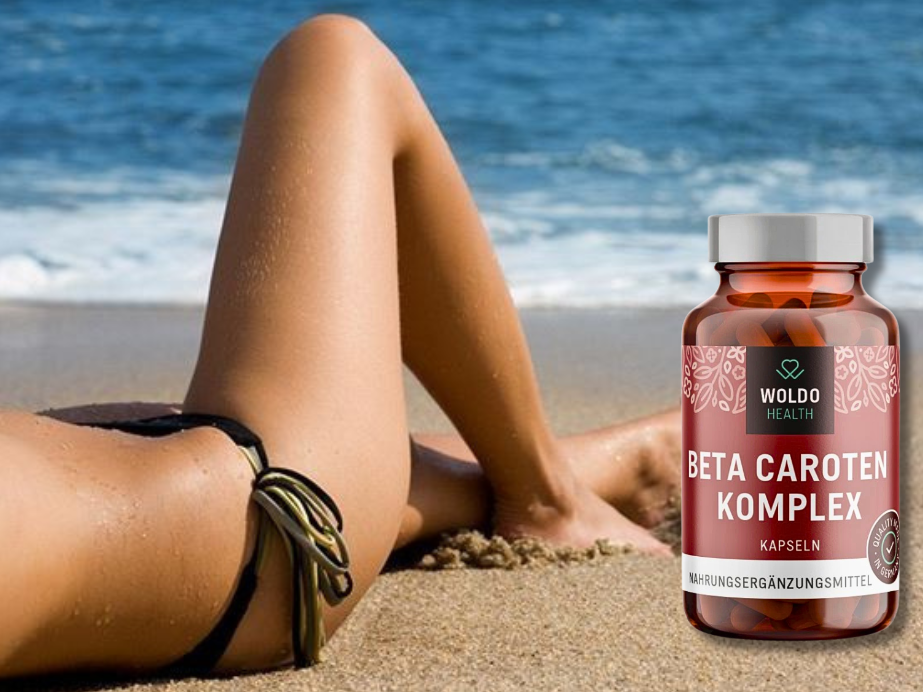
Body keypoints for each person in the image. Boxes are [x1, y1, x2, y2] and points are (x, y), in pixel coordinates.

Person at [0, 15, 679, 680]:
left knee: (139, 455)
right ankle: (548, 496)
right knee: (334, 58)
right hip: (261, 542)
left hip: (151, 502)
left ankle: (599, 467)